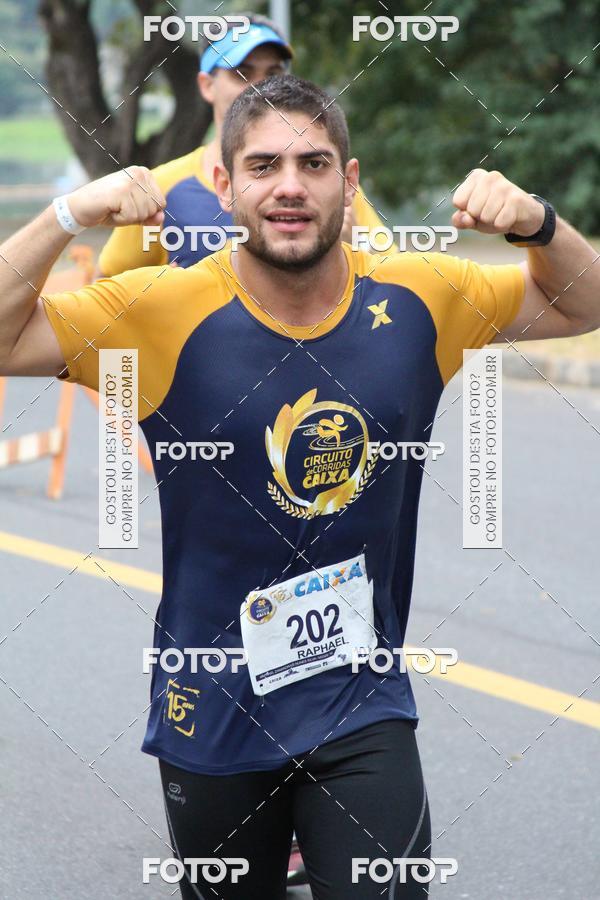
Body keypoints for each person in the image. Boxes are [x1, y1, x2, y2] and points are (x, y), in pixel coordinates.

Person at [2, 74, 599, 899]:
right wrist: (71, 213)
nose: (289, 185)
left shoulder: (422, 296)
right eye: (264, 164)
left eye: (315, 163)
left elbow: (583, 302)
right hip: (210, 706)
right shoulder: (156, 310)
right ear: (225, 185)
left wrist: (538, 223)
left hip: (361, 704)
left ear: (347, 185)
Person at [98, 13, 389, 277]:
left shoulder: (326, 181)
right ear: (206, 85)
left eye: (272, 73)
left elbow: (390, 279)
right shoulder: (161, 188)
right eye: (242, 73)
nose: (261, 86)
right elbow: (108, 295)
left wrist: (353, 249)